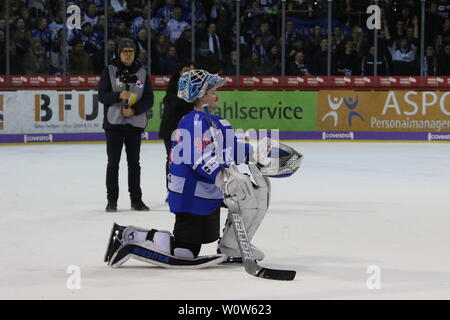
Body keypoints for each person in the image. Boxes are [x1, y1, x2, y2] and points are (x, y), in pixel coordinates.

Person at [104, 69, 302, 268]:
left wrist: (256, 152)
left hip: (208, 192)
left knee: (253, 194)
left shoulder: (217, 121)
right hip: (191, 194)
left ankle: (232, 245)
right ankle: (129, 236)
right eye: (213, 91)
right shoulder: (190, 122)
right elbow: (196, 157)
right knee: (185, 250)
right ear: (201, 95)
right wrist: (222, 177)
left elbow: (231, 146)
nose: (217, 95)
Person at [98, 38, 154, 212]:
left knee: (134, 164)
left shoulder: (142, 72)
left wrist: (135, 110)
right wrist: (117, 96)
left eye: (131, 51)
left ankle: (136, 201)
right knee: (113, 164)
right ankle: (112, 201)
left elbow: (149, 99)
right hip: (114, 125)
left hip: (134, 125)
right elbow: (102, 95)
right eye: (125, 52)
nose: (128, 55)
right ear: (119, 53)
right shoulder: (109, 70)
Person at [158, 61, 195, 197]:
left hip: (189, 129)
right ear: (180, 72)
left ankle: (187, 187)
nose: (189, 72)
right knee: (173, 159)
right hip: (172, 129)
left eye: (192, 70)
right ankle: (172, 190)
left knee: (189, 159)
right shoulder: (174, 85)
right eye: (186, 69)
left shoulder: (196, 85)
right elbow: (176, 104)